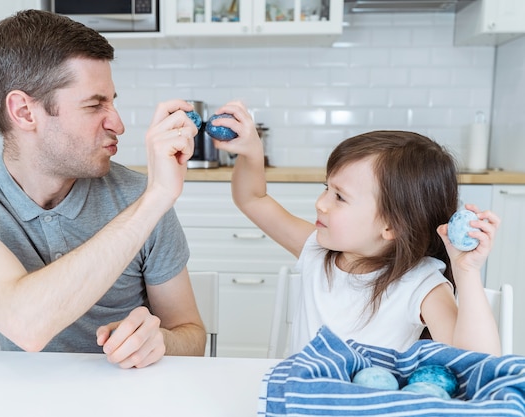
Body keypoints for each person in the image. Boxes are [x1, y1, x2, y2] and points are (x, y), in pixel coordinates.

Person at [0, 9, 206, 369]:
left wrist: (162, 341)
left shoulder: (136, 194)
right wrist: (154, 201)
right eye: (94, 105)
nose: (117, 123)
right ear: (24, 112)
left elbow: (192, 337)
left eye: (113, 101)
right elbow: (24, 323)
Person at [211, 102, 501, 356]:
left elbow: (477, 363)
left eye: (339, 196)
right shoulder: (317, 251)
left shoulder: (420, 283)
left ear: (392, 226)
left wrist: (466, 271)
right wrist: (251, 153)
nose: (321, 204)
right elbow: (252, 198)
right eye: (327, 188)